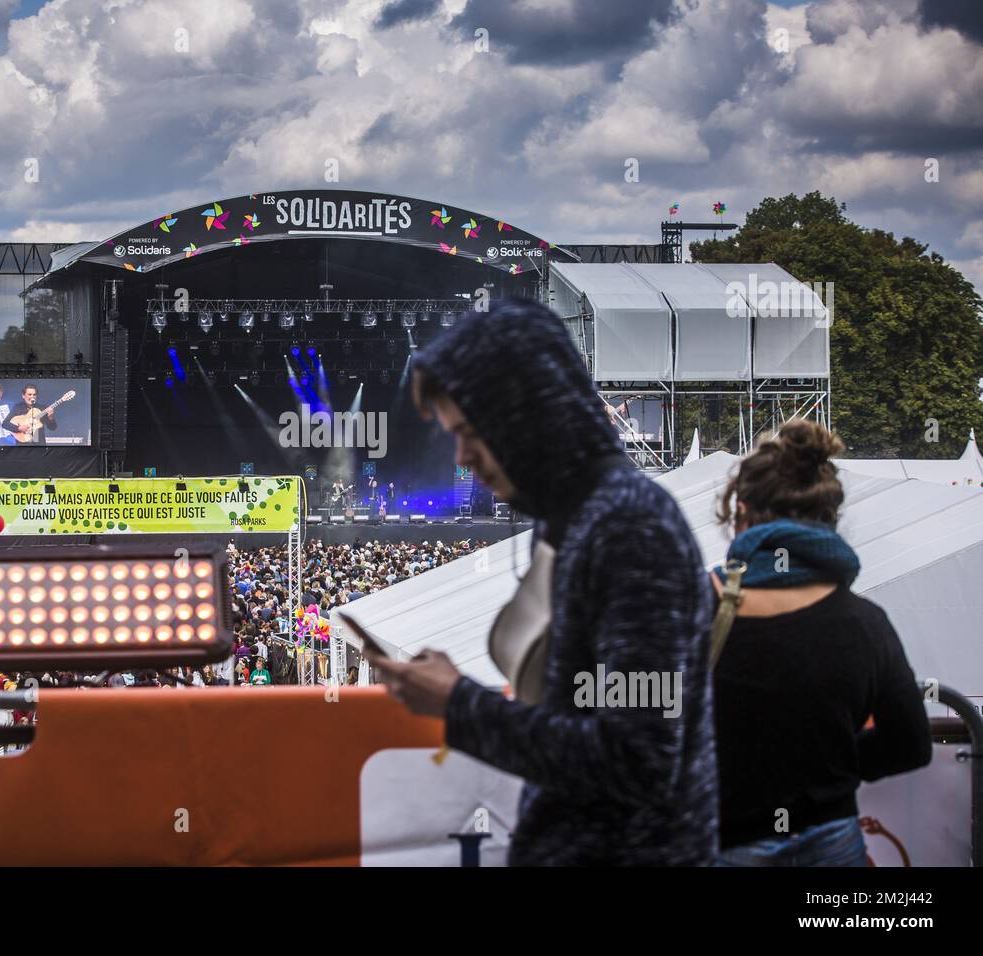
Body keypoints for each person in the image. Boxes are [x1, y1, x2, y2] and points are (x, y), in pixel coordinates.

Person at [363, 297, 717, 866]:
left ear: (528, 416)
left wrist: (459, 704)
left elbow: (639, 758)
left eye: (472, 432)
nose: (463, 457)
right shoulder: (568, 521)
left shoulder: (631, 530)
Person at [711, 421, 931, 866]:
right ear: (829, 518)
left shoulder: (693, 608)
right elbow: (910, 743)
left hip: (722, 838)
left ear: (740, 510)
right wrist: (832, 766)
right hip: (831, 837)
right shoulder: (866, 623)